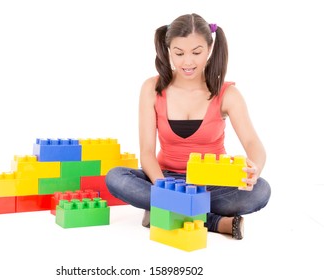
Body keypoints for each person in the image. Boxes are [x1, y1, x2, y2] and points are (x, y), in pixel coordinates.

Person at [105, 13, 271, 240]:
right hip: (163, 178)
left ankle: (164, 212)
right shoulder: (151, 88)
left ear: (210, 49)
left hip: (211, 184)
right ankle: (212, 221)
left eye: (196, 52)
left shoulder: (227, 94)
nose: (187, 62)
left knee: (261, 191)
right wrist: (166, 188)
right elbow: (146, 152)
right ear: (168, 50)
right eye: (179, 53)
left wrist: (255, 169)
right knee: (116, 177)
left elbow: (253, 143)